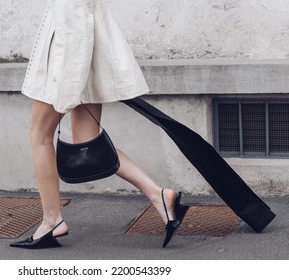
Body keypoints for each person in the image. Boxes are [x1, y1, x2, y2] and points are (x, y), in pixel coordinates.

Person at [10, 0, 187, 249]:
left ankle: (52, 221)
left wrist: (67, 91)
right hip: (85, 60)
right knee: (88, 140)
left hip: (68, 66)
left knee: (39, 136)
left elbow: (72, 24)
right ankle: (160, 195)